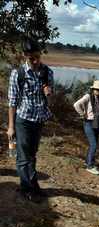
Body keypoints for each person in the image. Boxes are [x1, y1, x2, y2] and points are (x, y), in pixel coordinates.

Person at [7, 38, 54, 202]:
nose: (35, 61)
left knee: (32, 155)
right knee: (23, 157)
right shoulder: (17, 74)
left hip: (39, 120)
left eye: (37, 57)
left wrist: (48, 94)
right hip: (23, 120)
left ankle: (33, 185)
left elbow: (50, 101)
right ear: (24, 56)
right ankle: (26, 188)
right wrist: (11, 126)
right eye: (31, 58)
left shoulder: (47, 72)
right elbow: (12, 102)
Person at [73, 80, 99, 175]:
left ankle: (88, 161)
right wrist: (82, 114)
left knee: (93, 144)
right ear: (93, 89)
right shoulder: (88, 96)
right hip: (88, 123)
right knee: (94, 144)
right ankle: (90, 166)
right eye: (97, 89)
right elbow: (76, 105)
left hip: (96, 123)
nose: (98, 91)